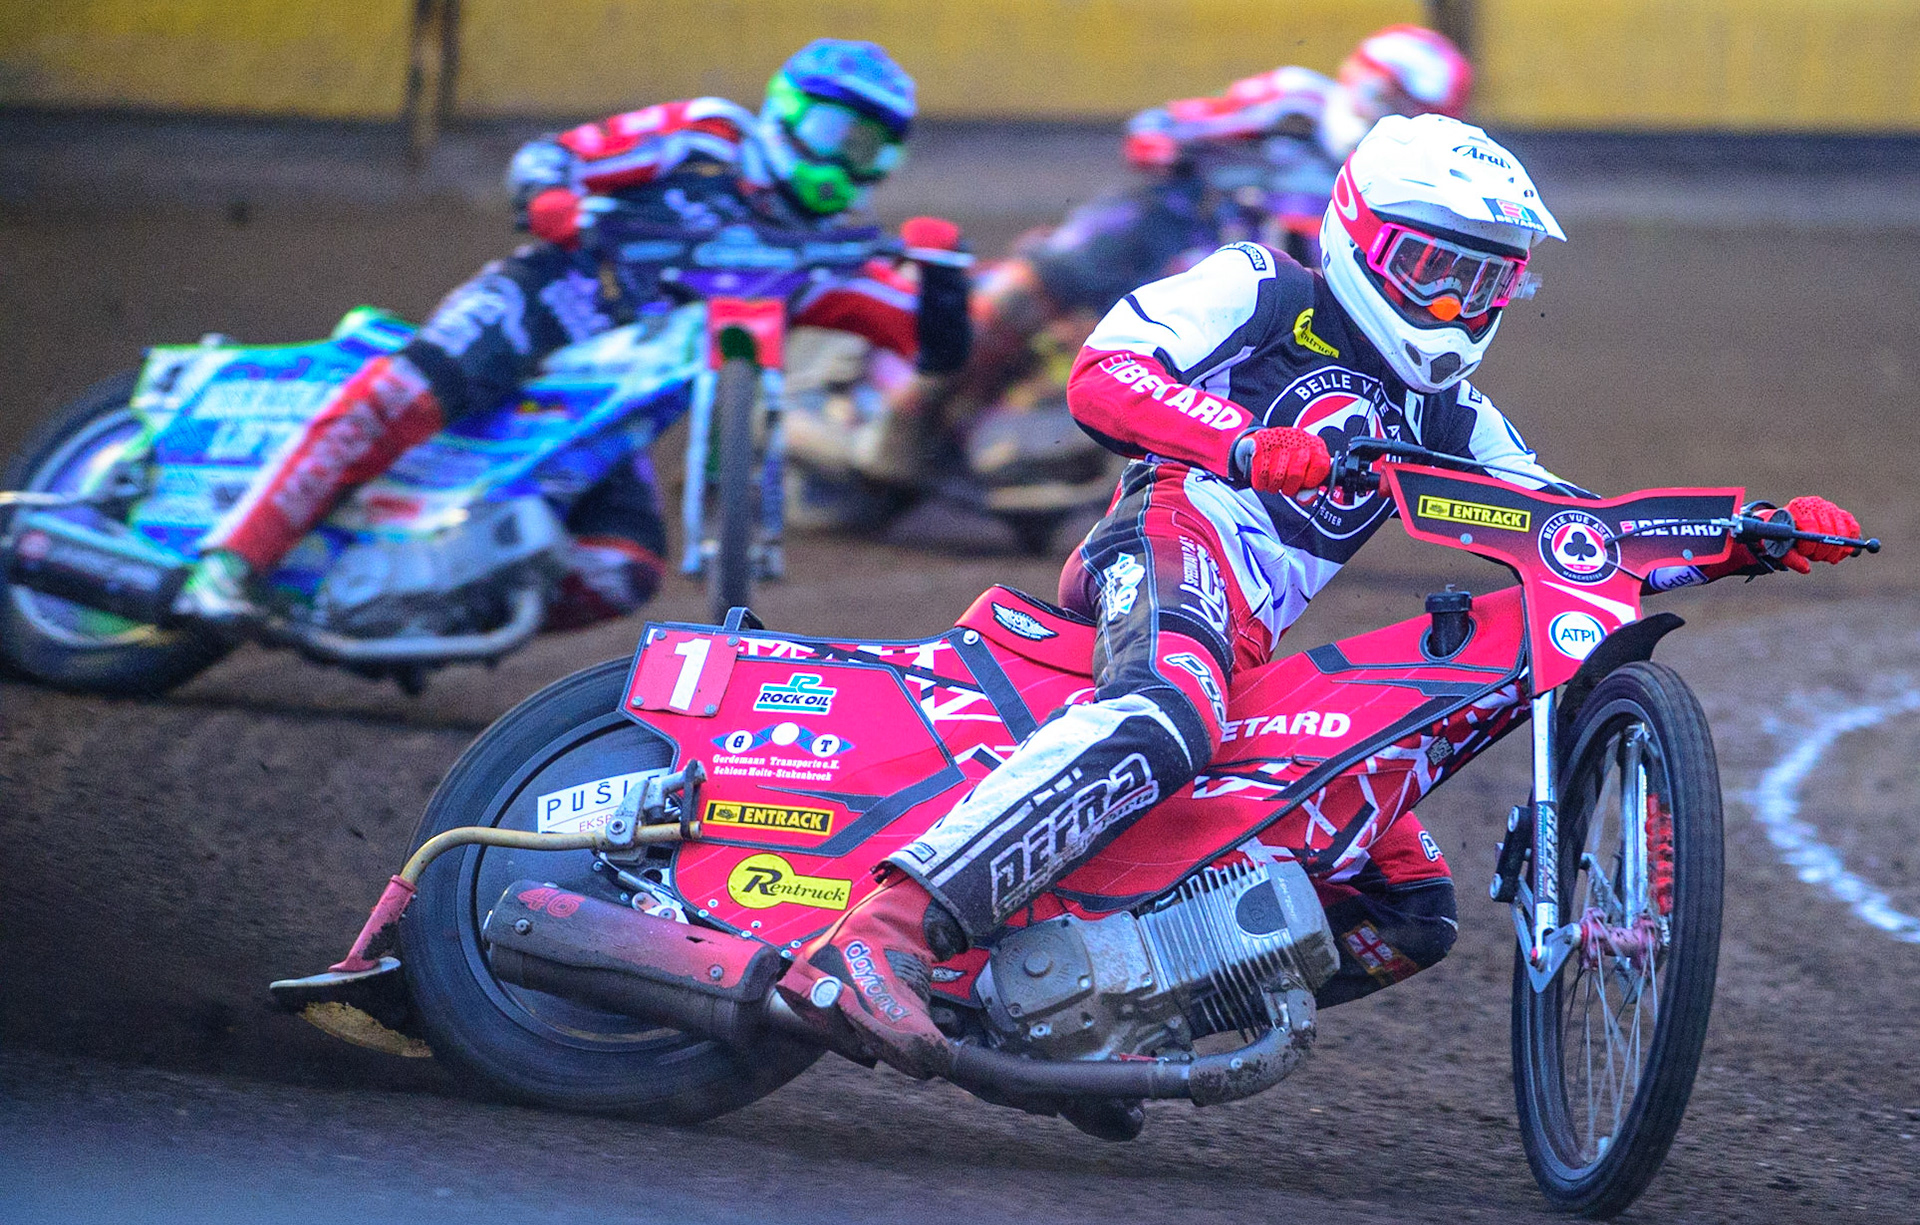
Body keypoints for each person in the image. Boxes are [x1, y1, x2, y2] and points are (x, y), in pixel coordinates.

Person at [777, 113, 1864, 1082]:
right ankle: (886, 930)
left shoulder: (1454, 417)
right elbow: (1104, 373)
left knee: (1409, 907)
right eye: (1435, 269)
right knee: (1168, 711)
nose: (1454, 304)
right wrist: (1243, 443)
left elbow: (1574, 536)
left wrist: (1739, 533)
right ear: (1359, 234)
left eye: (1484, 282)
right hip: (1168, 541)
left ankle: (1115, 1018)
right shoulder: (1264, 285)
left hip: (1252, 641)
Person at [174, 39, 971, 628]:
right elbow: (553, 158)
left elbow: (932, 347)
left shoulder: (832, 251)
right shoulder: (706, 137)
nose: (849, 163)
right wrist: (556, 199)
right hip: (539, 314)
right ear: (792, 110)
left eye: (872, 150)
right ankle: (229, 560)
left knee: (620, 572)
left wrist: (941, 276)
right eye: (840, 133)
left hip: (606, 416)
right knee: (396, 400)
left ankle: (410, 610)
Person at [799, 24, 1473, 523]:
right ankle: (908, 415)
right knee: (1046, 278)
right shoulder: (1292, 102)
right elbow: (1162, 128)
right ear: (1360, 83)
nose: (1390, 119)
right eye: (1388, 100)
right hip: (1169, 231)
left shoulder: (1399, 195)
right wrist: (1189, 149)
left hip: (1250, 291)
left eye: (1415, 114)